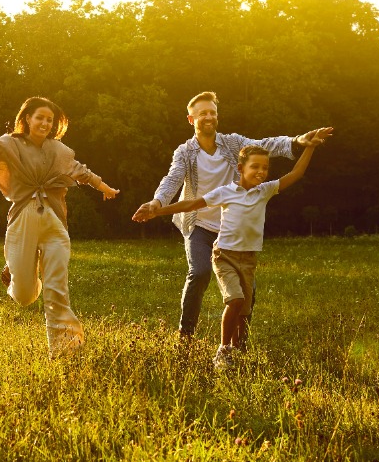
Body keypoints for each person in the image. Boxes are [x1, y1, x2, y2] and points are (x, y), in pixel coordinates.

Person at [135, 91, 328, 344]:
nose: (209, 117)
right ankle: (186, 336)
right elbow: (172, 179)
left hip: (231, 228)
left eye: (212, 112)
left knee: (248, 291)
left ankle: (239, 343)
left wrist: (298, 141)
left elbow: (265, 145)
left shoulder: (232, 143)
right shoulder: (185, 152)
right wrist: (157, 203)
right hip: (199, 223)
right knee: (200, 272)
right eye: (203, 113)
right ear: (191, 119)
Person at [0, 97, 120, 357]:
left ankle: (66, 350)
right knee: (24, 296)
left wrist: (104, 187)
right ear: (27, 119)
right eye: (40, 118)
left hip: (55, 223)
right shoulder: (9, 144)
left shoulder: (59, 150)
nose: (45, 123)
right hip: (23, 220)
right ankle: (17, 271)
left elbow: (81, 171)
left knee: (57, 289)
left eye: (50, 120)